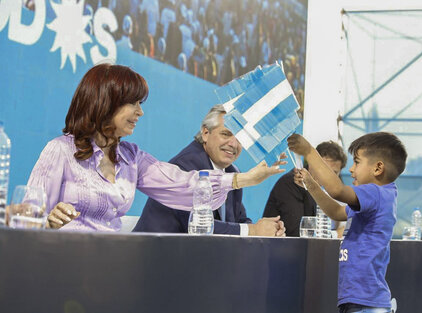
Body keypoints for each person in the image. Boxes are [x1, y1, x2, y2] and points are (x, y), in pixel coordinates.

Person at [26, 63, 286, 232]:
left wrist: (244, 179)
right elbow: (25, 221)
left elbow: (185, 186)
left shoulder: (132, 158)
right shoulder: (59, 151)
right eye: (133, 103)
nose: (140, 112)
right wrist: (47, 221)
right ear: (106, 102)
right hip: (63, 265)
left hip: (109, 267)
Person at [287, 132, 407, 313]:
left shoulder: (376, 193)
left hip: (366, 303)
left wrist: (310, 152)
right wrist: (311, 185)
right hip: (357, 301)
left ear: (378, 168)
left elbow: (337, 191)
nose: (351, 169)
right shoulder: (374, 199)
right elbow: (336, 211)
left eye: (357, 162)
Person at [134, 105, 285, 236]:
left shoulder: (231, 170)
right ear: (205, 133)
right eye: (226, 134)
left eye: (240, 138)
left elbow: (238, 219)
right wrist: (252, 231)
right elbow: (196, 226)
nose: (233, 143)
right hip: (155, 257)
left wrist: (267, 227)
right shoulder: (186, 165)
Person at [262, 140, 347, 237]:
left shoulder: (323, 191)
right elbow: (298, 233)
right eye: (324, 169)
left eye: (334, 173)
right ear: (311, 163)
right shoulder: (291, 183)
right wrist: (336, 234)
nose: (328, 177)